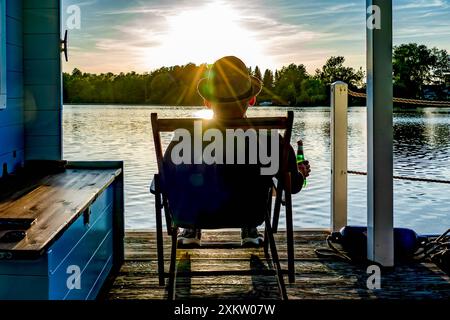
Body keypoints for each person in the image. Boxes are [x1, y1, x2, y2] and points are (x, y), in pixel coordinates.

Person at [162, 56, 310, 247]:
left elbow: (165, 180)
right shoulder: (271, 140)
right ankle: (249, 228)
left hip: (196, 214)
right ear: (252, 100)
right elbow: (293, 187)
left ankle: (190, 228)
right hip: (250, 213)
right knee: (264, 176)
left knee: (188, 173)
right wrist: (298, 173)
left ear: (207, 102)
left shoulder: (185, 137)